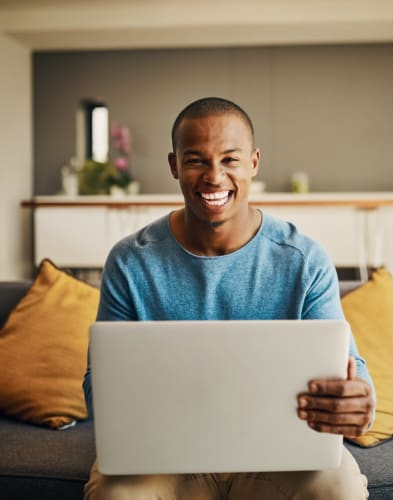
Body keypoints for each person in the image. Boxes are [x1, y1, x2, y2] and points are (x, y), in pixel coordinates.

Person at [83, 97, 375, 500]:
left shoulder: (304, 260)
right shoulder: (131, 261)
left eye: (230, 160)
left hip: (281, 457)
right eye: (196, 160)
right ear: (174, 166)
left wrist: (359, 399)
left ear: (253, 163)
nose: (214, 177)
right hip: (161, 458)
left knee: (339, 487)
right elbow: (99, 392)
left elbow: (351, 369)